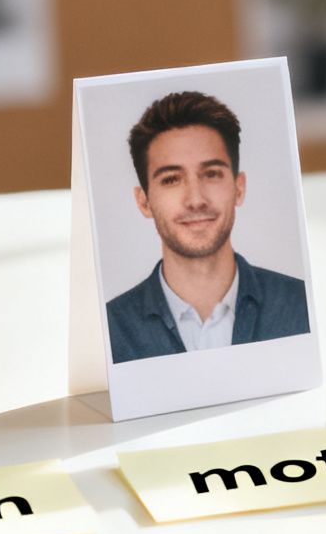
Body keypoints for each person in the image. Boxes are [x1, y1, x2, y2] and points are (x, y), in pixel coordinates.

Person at [105, 90, 309, 363]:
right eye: (171, 179)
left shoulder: (301, 306)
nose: (196, 200)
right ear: (144, 202)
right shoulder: (110, 330)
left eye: (212, 174)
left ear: (239, 188)